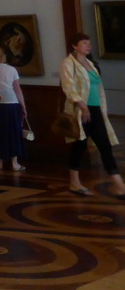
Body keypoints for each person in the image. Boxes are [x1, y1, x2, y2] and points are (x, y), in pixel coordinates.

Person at [60, 32, 125, 197]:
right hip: (80, 111)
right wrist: (83, 106)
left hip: (95, 110)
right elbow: (69, 88)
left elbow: (97, 88)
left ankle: (119, 186)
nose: (88, 46)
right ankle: (74, 183)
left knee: (105, 146)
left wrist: (95, 109)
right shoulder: (69, 63)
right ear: (75, 46)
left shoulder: (90, 63)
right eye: (84, 43)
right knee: (79, 146)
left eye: (89, 43)